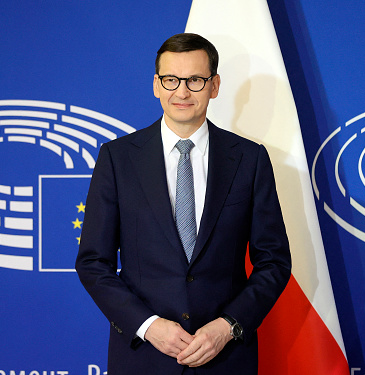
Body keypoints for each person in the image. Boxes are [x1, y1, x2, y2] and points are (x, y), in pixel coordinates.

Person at [75, 33, 291, 375]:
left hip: (227, 358)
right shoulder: (117, 159)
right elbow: (92, 262)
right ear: (156, 85)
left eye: (195, 80)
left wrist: (227, 327)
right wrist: (148, 325)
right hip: (143, 357)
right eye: (171, 79)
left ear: (214, 85)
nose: (182, 91)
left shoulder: (250, 159)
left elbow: (274, 262)